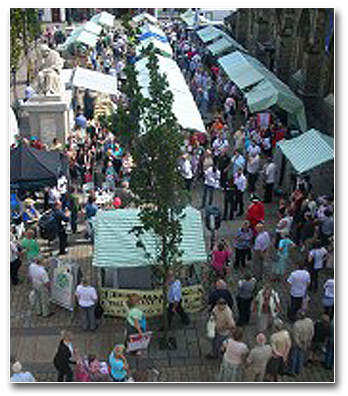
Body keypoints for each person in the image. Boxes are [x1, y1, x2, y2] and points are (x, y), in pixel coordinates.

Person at [287, 310, 314, 377]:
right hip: (306, 341)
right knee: (301, 356)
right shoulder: (309, 321)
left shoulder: (297, 324)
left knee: (294, 357)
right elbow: (312, 332)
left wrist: (299, 344)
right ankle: (298, 370)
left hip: (298, 343)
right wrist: (308, 340)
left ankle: (292, 371)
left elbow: (295, 337)